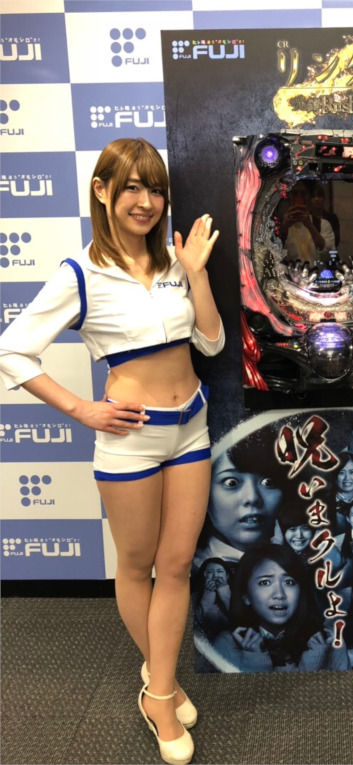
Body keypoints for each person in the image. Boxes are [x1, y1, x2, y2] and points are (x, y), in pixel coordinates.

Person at [0, 138, 226, 765]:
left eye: (155, 189)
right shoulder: (81, 272)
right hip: (130, 440)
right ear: (101, 191)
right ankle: (162, 694)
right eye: (131, 187)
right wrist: (82, 409)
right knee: (136, 564)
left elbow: (211, 343)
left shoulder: (176, 261)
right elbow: (12, 350)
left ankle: (159, 685)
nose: (145, 201)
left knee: (176, 565)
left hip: (192, 429)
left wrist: (198, 272)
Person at [195, 544, 348, 672]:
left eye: (289, 582)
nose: (279, 594)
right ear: (246, 595)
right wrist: (254, 662)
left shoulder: (328, 642)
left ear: (301, 591)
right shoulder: (226, 645)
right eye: (265, 583)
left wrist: (314, 666)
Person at [193, 426, 291, 573]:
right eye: (231, 483)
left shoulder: (305, 563)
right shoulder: (188, 569)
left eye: (268, 482)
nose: (252, 498)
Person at [281, 181, 335, 262]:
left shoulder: (323, 224)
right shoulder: (278, 224)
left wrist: (310, 226)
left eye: (303, 193)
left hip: (315, 270)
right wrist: (284, 228)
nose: (299, 197)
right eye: (295, 193)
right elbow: (272, 255)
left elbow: (329, 256)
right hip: (289, 270)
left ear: (309, 197)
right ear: (288, 196)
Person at [193, 557, 233, 637]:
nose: (215, 576)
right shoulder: (194, 597)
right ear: (204, 576)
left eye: (220, 571)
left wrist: (225, 594)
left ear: (227, 576)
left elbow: (240, 621)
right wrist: (208, 595)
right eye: (210, 572)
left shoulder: (238, 596)